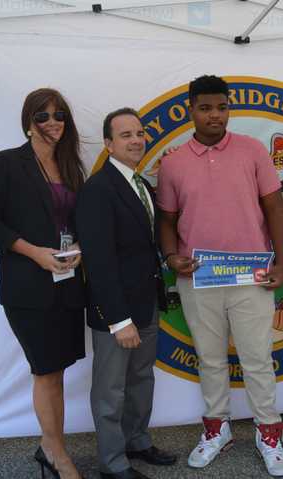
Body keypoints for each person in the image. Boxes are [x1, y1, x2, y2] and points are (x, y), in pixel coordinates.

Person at [156, 75, 283, 476]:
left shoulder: (251, 151)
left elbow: (275, 211)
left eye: (221, 107)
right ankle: (218, 429)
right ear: (190, 111)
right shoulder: (174, 162)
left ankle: (269, 432)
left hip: (251, 276)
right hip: (199, 278)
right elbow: (166, 219)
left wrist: (280, 263)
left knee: (257, 359)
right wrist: (169, 255)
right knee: (210, 360)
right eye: (205, 107)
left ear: (229, 108)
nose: (215, 115)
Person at [0, 88, 86, 479]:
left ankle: (48, 445)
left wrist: (80, 247)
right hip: (28, 285)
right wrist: (33, 252)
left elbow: (80, 221)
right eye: (43, 116)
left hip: (68, 282)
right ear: (28, 121)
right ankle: (57, 454)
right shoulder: (6, 163)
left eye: (59, 115)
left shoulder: (71, 164)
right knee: (45, 370)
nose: (52, 122)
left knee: (56, 369)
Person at [76, 108, 176, 479]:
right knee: (110, 391)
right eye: (125, 135)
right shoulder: (98, 190)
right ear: (108, 144)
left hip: (146, 304)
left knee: (141, 381)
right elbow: (99, 263)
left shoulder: (141, 184)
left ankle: (137, 441)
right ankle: (113, 464)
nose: (136, 140)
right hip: (116, 313)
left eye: (139, 133)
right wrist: (119, 320)